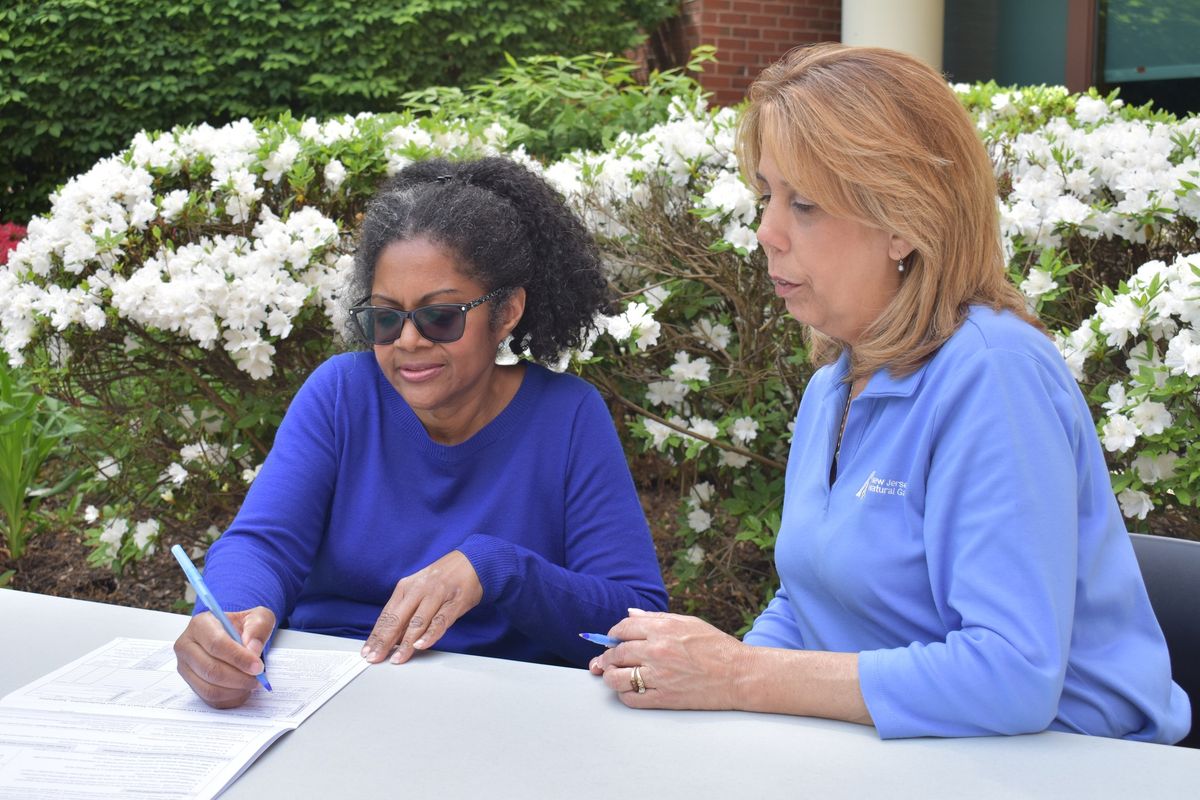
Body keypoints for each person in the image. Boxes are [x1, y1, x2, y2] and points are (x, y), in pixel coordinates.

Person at [590, 44, 1191, 742]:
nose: (767, 232)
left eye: (804, 204)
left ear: (904, 221)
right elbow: (809, 602)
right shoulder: (834, 384)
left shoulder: (995, 375)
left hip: (1076, 768)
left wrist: (737, 675)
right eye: (766, 196)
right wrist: (706, 692)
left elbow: (1014, 676)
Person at [175, 156, 668, 708]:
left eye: (440, 317)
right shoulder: (342, 394)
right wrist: (231, 622)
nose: (407, 340)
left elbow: (636, 619)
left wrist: (498, 569)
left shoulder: (568, 417)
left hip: (501, 712)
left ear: (506, 313)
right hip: (325, 697)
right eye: (386, 317)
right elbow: (262, 546)